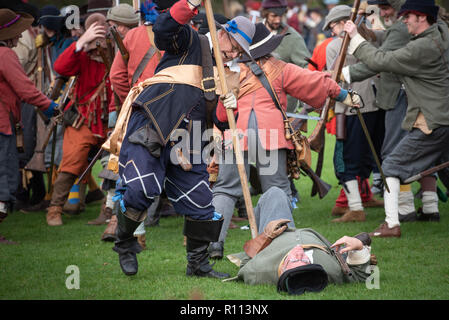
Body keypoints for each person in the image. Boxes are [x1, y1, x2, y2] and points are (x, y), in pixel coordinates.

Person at [110, 0, 255, 278]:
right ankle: (125, 242)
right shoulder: (192, 40)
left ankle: (198, 265)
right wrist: (188, 4)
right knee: (142, 190)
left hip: (191, 143)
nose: (233, 54)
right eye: (233, 46)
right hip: (153, 123)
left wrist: (229, 106)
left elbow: (220, 122)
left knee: (201, 204)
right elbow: (164, 29)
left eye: (239, 51)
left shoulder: (228, 75)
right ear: (222, 33)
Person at [208, 22, 362, 259]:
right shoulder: (278, 68)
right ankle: (284, 246)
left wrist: (224, 103)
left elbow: (220, 118)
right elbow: (316, 82)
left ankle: (213, 244)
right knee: (277, 190)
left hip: (234, 137)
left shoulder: (226, 71)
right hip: (269, 136)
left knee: (225, 191)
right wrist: (345, 95)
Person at [343, 0, 449, 237]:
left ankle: (391, 224)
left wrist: (355, 37)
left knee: (390, 165)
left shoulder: (422, 47)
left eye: (408, 16)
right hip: (442, 119)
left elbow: (383, 61)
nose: (403, 21)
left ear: (422, 17)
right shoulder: (442, 32)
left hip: (434, 122)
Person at [96, 1, 161, 252]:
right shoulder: (178, 34)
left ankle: (137, 234)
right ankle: (195, 242)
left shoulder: (132, 36)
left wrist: (129, 101)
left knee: (135, 171)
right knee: (185, 173)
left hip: (138, 112)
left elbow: (116, 77)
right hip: (172, 114)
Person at [227, 186, 376, 295]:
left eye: (293, 261)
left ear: (283, 271)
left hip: (275, 235)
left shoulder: (259, 271)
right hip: (318, 242)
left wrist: (265, 237)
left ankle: (250, 213)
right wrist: (359, 247)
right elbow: (360, 276)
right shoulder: (331, 271)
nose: (299, 253)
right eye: (305, 260)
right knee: (279, 194)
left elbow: (246, 264)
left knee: (275, 194)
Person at [45, 12, 113, 227]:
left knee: (113, 164)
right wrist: (81, 42)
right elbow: (61, 68)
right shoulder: (81, 54)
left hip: (111, 119)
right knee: (71, 162)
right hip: (84, 118)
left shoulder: (117, 53)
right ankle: (55, 209)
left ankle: (108, 210)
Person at [0, 8, 58, 243]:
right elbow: (24, 88)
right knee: (5, 180)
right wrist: (49, 106)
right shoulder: (4, 55)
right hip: (2, 125)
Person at [322, 5, 384, 223]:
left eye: (334, 26)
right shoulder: (372, 39)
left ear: (344, 22)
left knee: (346, 161)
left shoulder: (337, 45)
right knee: (367, 158)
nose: (332, 32)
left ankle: (356, 208)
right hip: (376, 105)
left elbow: (334, 79)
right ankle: (360, 201)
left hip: (350, 109)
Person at [260, 0, 311, 113]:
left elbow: (306, 66)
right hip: (256, 100)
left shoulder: (293, 37)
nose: (278, 20)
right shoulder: (254, 32)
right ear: (265, 13)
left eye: (281, 15)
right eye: (274, 16)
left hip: (284, 105)